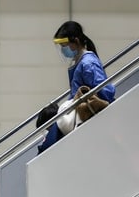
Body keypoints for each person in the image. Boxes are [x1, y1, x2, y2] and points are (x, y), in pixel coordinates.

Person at [39, 21, 116, 153]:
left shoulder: (88, 63)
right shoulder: (80, 61)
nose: (64, 50)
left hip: (84, 113)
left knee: (49, 143)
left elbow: (106, 92)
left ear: (75, 41)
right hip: (77, 111)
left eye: (65, 46)